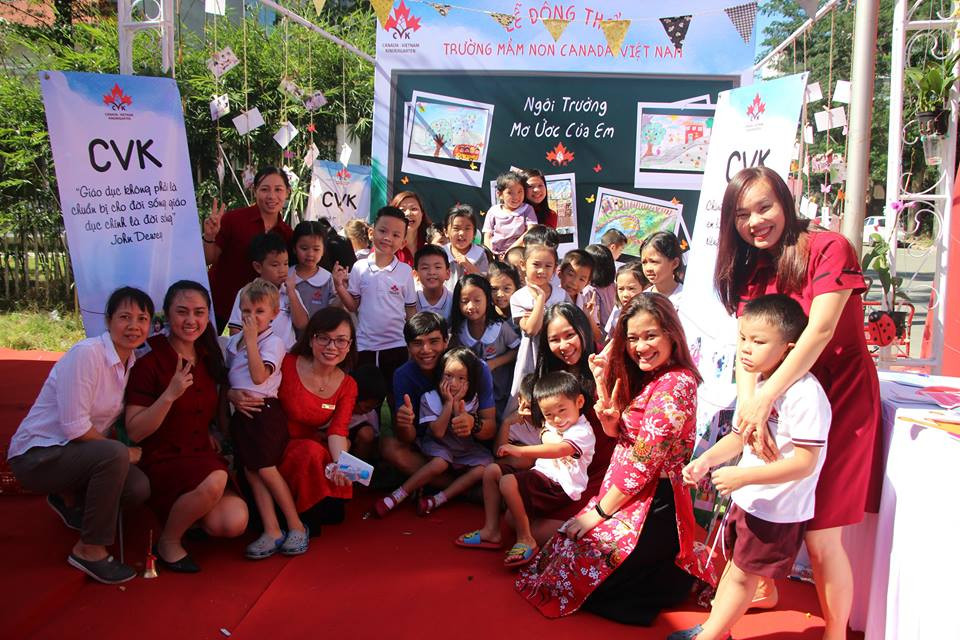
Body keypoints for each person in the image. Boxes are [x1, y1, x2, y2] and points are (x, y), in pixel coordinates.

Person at [713, 166, 881, 639]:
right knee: (759, 508)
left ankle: (835, 633)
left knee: (822, 530)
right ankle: (761, 590)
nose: (755, 221)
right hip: (776, 405)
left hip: (839, 400)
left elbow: (821, 330)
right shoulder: (750, 269)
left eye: (764, 207)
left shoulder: (829, 248)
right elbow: (747, 349)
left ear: (785, 202)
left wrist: (765, 398)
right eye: (741, 214)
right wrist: (752, 412)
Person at [517, 294, 717, 624]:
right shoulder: (648, 375)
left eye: (650, 336)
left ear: (671, 334)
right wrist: (611, 420)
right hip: (626, 491)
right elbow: (623, 437)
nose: (641, 347)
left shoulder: (676, 384)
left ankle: (674, 575)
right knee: (565, 551)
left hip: (654, 500)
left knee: (587, 567)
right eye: (633, 338)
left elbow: (644, 461)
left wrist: (598, 514)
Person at [675, 294, 830, 640]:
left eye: (758, 342)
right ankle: (714, 629)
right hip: (749, 499)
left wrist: (743, 476)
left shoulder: (805, 395)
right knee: (735, 568)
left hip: (777, 509)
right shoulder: (759, 386)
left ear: (789, 349)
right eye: (743, 338)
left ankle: (711, 635)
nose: (746, 348)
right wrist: (705, 461)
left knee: (743, 575)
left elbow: (805, 463)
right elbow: (739, 437)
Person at [8, 287, 153, 584]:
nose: (134, 326)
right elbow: (75, 427)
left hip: (76, 455)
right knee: (114, 454)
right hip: (39, 455)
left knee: (137, 487)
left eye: (142, 318)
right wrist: (123, 452)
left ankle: (70, 499)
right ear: (108, 320)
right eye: (124, 317)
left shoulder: (131, 362)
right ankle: (89, 549)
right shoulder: (88, 354)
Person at [126, 281, 249, 573]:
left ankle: (190, 514)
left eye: (199, 312)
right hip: (162, 457)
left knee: (233, 522)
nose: (191, 320)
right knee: (216, 479)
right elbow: (135, 431)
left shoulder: (208, 356)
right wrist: (169, 395)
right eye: (182, 312)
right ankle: (169, 541)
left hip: (199, 453)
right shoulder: (149, 361)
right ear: (167, 315)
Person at [231, 308, 358, 532]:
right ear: (310, 339)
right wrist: (232, 394)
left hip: (308, 449)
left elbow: (338, 431)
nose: (332, 347)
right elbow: (253, 381)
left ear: (349, 346)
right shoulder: (287, 363)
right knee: (310, 452)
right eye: (324, 338)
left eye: (341, 341)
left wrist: (342, 466)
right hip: (270, 442)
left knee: (327, 462)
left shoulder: (348, 385)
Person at [457, 371, 595, 568]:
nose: (556, 419)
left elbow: (559, 449)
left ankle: (525, 538)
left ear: (579, 402)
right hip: (542, 475)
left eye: (562, 410)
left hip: (559, 485)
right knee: (492, 471)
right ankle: (491, 530)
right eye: (549, 414)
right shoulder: (553, 425)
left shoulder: (582, 431)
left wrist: (520, 451)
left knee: (508, 482)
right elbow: (544, 431)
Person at [225, 280, 309, 560]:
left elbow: (259, 376)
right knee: (252, 471)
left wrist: (251, 341)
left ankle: (295, 524)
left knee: (267, 469)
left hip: (264, 413)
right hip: (242, 415)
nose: (252, 317)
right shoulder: (234, 342)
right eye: (246, 311)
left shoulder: (274, 343)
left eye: (259, 311)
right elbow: (231, 377)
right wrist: (231, 394)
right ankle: (271, 529)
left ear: (274, 313)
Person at [375, 348, 493, 517]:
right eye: (448, 376)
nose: (453, 384)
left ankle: (439, 498)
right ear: (440, 376)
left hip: (463, 448)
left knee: (484, 467)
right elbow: (438, 432)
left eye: (461, 378)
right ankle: (399, 494)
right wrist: (448, 404)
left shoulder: (471, 399)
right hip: (439, 445)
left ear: (469, 381)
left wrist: (459, 407)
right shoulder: (430, 398)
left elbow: (464, 431)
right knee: (440, 463)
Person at [381, 312, 497, 479]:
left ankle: (447, 485)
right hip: (430, 452)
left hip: (469, 450)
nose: (426, 350)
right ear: (408, 347)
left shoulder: (476, 368)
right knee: (390, 448)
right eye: (417, 343)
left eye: (434, 341)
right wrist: (405, 423)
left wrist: (473, 423)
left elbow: (490, 428)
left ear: (446, 341)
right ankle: (459, 487)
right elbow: (407, 438)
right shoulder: (403, 375)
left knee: (490, 465)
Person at [333, 206, 417, 407]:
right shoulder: (359, 267)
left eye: (396, 235)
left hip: (396, 345)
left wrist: (413, 342)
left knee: (396, 396)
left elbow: (410, 310)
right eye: (383, 231)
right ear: (371, 233)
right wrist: (339, 287)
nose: (388, 238)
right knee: (365, 399)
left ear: (403, 242)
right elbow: (352, 306)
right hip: (365, 346)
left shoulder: (405, 271)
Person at [204, 167, 294, 329]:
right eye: (265, 189)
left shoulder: (287, 234)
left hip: (256, 313)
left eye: (278, 190)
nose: (272, 196)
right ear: (255, 191)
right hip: (219, 302)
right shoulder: (233, 220)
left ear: (287, 192)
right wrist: (209, 236)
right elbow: (209, 259)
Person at [450, 274, 520, 422]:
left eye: (477, 300)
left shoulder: (500, 327)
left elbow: (517, 350)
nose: (471, 306)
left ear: (488, 300)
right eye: (465, 301)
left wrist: (494, 363)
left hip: (501, 390)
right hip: (473, 393)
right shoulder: (460, 332)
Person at [227, 232, 308, 349]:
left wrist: (291, 293)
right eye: (275, 265)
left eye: (286, 263)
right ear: (258, 267)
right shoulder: (246, 293)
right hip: (257, 353)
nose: (282, 270)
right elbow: (235, 329)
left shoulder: (290, 292)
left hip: (287, 352)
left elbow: (302, 324)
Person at [510, 242, 568, 395]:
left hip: (557, 354)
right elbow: (531, 329)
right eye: (536, 264)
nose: (542, 270)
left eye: (548, 266)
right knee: (528, 395)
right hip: (531, 356)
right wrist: (541, 299)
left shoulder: (561, 295)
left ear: (555, 269)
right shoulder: (518, 297)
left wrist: (537, 316)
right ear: (523, 265)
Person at [289, 220, 334, 325]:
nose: (310, 254)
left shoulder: (328, 279)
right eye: (304, 248)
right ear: (294, 248)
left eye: (316, 249)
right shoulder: (286, 276)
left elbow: (333, 311)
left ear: (323, 250)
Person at [483, 171, 538, 257]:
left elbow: (531, 231)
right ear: (499, 194)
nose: (516, 197)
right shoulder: (493, 211)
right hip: (495, 256)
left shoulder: (527, 209)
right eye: (510, 192)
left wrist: (511, 251)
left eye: (520, 191)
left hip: (519, 254)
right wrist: (491, 254)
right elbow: (487, 236)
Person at [558, 249, 601, 343]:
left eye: (582, 279)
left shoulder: (586, 302)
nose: (574, 282)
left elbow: (597, 337)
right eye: (570, 274)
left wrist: (588, 316)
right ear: (560, 273)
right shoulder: (552, 298)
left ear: (587, 283)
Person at [345, 364, 386, 462]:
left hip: (353, 445)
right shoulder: (340, 404)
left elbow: (374, 439)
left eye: (373, 408)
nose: (369, 411)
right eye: (366, 407)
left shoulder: (370, 415)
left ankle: (358, 467)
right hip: (330, 439)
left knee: (366, 434)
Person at [445, 204, 490, 288]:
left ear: (474, 233)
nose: (462, 233)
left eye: (467, 228)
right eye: (456, 228)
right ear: (446, 232)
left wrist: (469, 266)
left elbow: (485, 283)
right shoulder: (441, 253)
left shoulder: (480, 254)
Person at [604, 261, 648, 340]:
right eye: (621, 289)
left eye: (631, 288)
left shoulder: (649, 315)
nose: (625, 295)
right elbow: (609, 339)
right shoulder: (617, 311)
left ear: (646, 288)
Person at [640, 231, 684, 306]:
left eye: (654, 261)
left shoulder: (687, 297)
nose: (648, 268)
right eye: (644, 262)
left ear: (675, 263)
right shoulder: (642, 299)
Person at [414, 244, 453, 322]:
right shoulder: (411, 300)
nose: (431, 272)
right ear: (416, 275)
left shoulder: (454, 301)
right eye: (425, 268)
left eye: (437, 267)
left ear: (448, 273)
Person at [584, 243, 617, 332]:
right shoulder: (613, 285)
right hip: (614, 330)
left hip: (601, 334)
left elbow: (594, 320)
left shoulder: (589, 291)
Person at [391, 191, 429, 267]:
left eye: (414, 209)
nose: (408, 213)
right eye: (402, 210)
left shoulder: (432, 242)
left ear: (422, 213)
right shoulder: (386, 244)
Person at [487, 260, 521, 326]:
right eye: (494, 289)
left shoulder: (524, 314)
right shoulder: (486, 317)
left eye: (506, 288)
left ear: (516, 288)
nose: (500, 294)